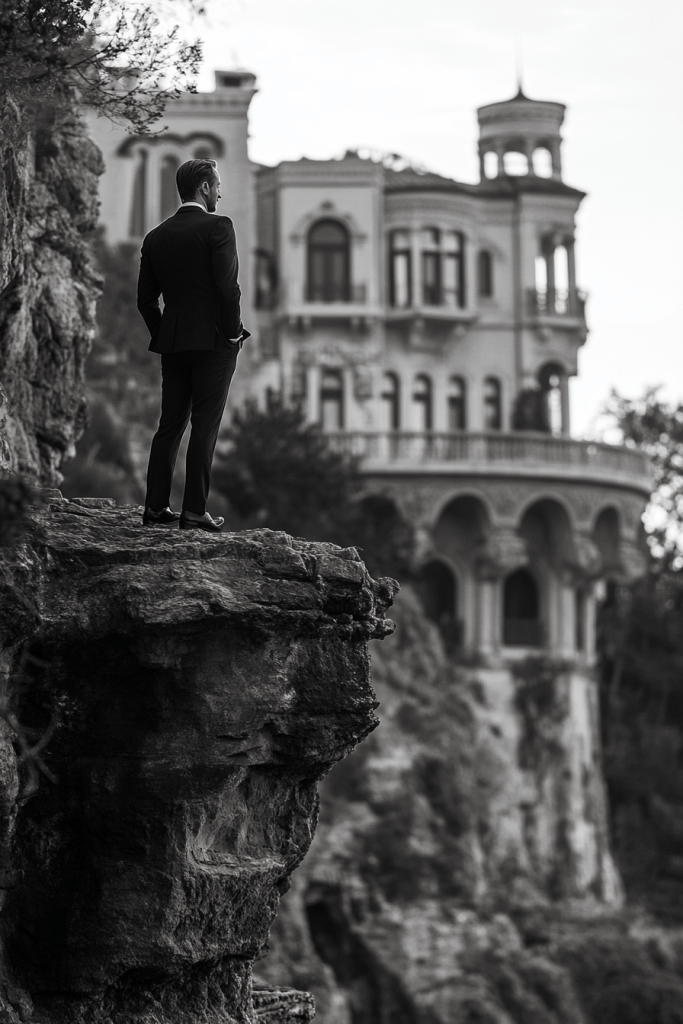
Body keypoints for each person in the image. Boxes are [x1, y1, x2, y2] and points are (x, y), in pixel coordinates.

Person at [137, 158, 249, 532]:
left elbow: (145, 301)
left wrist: (165, 333)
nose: (220, 193)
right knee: (205, 426)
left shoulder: (155, 237)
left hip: (173, 343)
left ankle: (155, 507)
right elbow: (228, 289)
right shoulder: (220, 227)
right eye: (217, 186)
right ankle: (194, 511)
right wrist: (232, 333)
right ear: (204, 188)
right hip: (215, 341)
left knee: (169, 425)